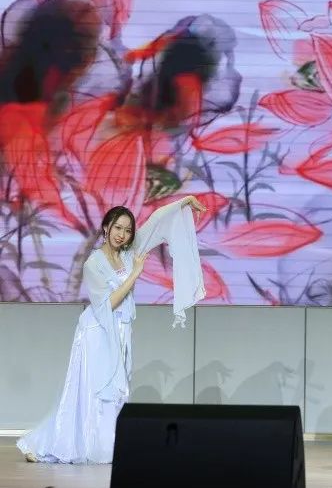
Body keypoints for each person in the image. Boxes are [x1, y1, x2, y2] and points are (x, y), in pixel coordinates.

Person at [17, 195, 207, 464]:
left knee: (116, 390)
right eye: (117, 227)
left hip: (120, 328)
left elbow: (156, 221)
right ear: (106, 228)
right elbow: (108, 304)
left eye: (127, 230)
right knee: (95, 389)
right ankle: (64, 444)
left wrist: (183, 202)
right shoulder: (93, 264)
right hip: (97, 331)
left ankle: (108, 444)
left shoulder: (130, 253)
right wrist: (135, 274)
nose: (122, 234)